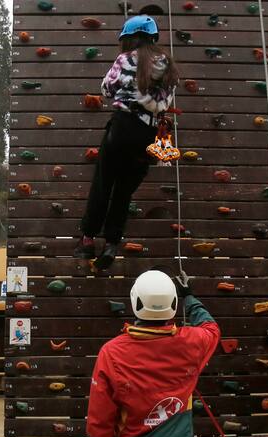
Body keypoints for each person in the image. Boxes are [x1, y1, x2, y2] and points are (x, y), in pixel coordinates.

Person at [83, 270, 220, 437]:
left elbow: (101, 416)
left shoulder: (112, 352)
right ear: (173, 304)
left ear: (135, 301)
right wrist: (189, 296)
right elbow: (211, 328)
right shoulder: (192, 342)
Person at [74, 15, 180, 270]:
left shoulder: (125, 59)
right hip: (148, 134)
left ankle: (88, 239)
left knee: (103, 183)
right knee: (123, 193)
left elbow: (106, 89)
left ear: (130, 38)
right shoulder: (168, 66)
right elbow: (165, 102)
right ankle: (111, 244)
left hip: (123, 127)